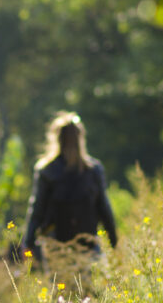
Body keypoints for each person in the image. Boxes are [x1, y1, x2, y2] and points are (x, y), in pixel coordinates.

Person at [23, 112, 118, 273]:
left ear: (56, 138)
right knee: (90, 293)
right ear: (81, 138)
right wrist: (113, 240)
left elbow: (37, 210)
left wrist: (28, 242)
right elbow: (104, 207)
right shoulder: (93, 170)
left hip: (56, 247)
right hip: (89, 246)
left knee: (61, 294)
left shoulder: (47, 170)